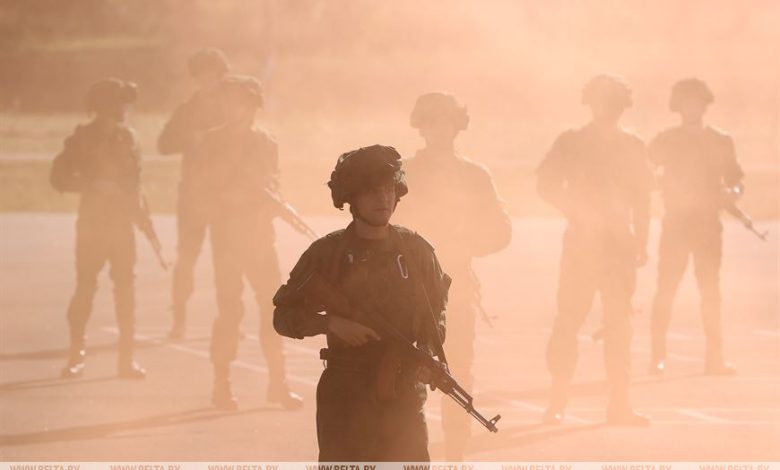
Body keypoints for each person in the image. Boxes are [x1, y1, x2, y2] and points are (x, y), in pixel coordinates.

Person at [272, 145, 451, 461]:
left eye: (388, 190)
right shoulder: (328, 254)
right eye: (371, 191)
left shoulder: (416, 251)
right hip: (346, 394)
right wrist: (330, 324)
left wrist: (427, 353)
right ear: (351, 197)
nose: (383, 198)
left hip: (403, 393)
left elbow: (436, 311)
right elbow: (283, 315)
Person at [397, 92, 511, 460]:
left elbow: (501, 229)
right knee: (402, 374)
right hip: (405, 289)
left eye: (445, 120)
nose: (438, 128)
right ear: (421, 126)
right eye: (431, 121)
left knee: (457, 373)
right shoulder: (402, 173)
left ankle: (456, 456)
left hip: (455, 288)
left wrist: (466, 241)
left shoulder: (475, 176)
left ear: (457, 125)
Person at [537, 74, 652, 426]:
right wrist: (576, 209)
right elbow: (546, 184)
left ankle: (619, 404)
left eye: (614, 103)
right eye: (603, 102)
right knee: (568, 320)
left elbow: (642, 198)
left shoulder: (633, 146)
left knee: (619, 325)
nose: (608, 109)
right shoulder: (571, 142)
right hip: (582, 243)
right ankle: (558, 400)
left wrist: (641, 240)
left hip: (619, 245)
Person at [195, 75, 301, 410]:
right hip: (227, 238)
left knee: (273, 308)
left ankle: (278, 383)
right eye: (227, 101)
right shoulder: (211, 141)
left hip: (259, 238)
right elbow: (205, 188)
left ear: (252, 107)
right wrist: (232, 195)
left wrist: (273, 203)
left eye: (238, 102)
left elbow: (273, 183)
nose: (231, 108)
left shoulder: (265, 143)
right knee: (229, 311)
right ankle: (221, 385)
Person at [51, 78, 147, 379]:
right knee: (85, 287)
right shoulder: (82, 138)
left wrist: (141, 212)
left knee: (126, 291)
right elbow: (59, 177)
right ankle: (76, 354)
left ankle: (126, 359)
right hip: (93, 224)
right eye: (120, 103)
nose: (125, 109)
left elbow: (135, 181)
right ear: (106, 106)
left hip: (122, 226)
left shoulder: (128, 138)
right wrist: (94, 186)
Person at [648, 78, 743, 376]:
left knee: (710, 292)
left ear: (705, 105)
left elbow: (736, 180)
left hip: (708, 227)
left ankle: (715, 358)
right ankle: (657, 357)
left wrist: (732, 194)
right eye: (686, 102)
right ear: (678, 107)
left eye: (697, 102)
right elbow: (644, 171)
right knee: (666, 290)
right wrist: (661, 185)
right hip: (676, 224)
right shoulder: (665, 140)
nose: (692, 108)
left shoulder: (721, 140)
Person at [158, 48, 230, 339]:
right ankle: (179, 320)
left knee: (227, 260)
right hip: (193, 196)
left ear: (220, 76)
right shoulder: (187, 110)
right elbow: (163, 145)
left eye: (212, 75)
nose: (207, 81)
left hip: (225, 197)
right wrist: (189, 138)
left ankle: (229, 319)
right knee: (186, 259)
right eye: (201, 76)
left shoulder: (232, 108)